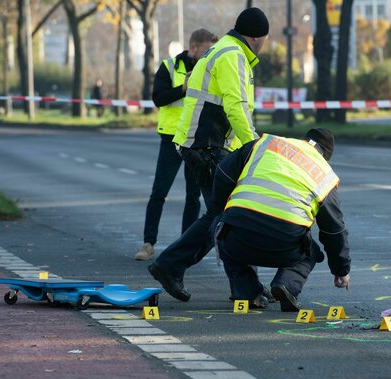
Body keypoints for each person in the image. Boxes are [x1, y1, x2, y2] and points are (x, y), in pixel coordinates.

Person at [147, 7, 270, 301]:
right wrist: (253, 146)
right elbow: (236, 105)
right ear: (257, 37)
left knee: (226, 216)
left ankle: (244, 289)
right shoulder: (233, 55)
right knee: (225, 217)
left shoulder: (224, 49)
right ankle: (170, 265)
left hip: (203, 145)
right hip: (206, 146)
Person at [213, 129, 351, 312]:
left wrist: (224, 210)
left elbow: (222, 172)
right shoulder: (324, 172)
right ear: (324, 156)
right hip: (283, 242)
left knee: (220, 230)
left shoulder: (266, 143)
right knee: (311, 252)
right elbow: (333, 230)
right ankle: (287, 284)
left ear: (302, 140)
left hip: (239, 233)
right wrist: (341, 270)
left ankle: (247, 292)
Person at [134, 29, 218, 261]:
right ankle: (148, 244)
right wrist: (183, 88)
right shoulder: (169, 67)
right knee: (159, 192)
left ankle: (184, 247)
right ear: (193, 48)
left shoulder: (211, 69)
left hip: (195, 140)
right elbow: (158, 98)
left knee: (193, 195)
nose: (210, 55)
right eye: (207, 50)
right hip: (171, 138)